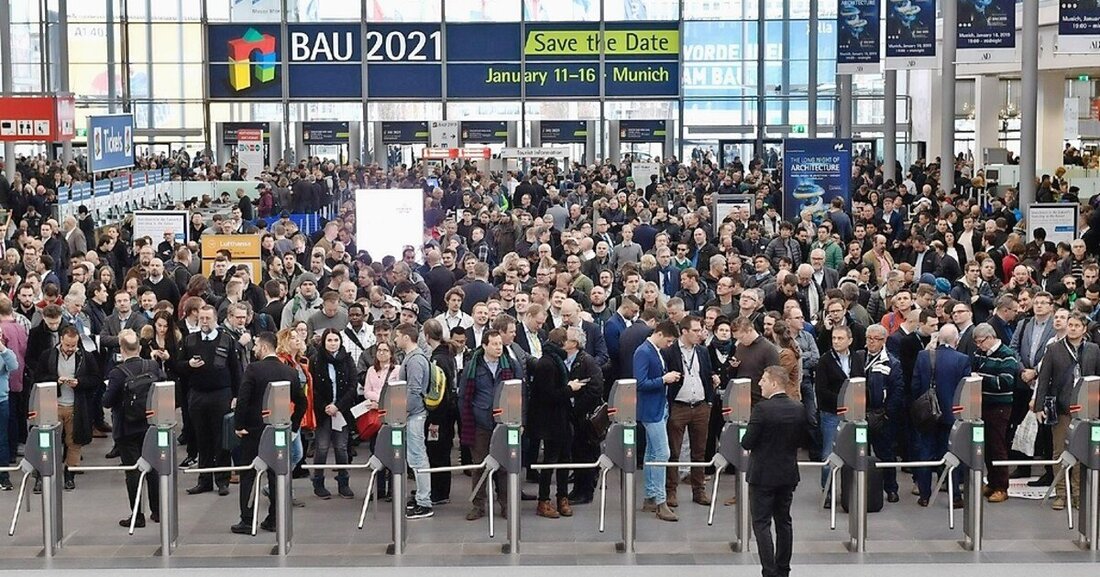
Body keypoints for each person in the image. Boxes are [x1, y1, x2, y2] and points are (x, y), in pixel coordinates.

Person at [231, 332, 304, 535]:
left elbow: (243, 399)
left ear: (263, 348)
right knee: (275, 473)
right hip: (278, 431)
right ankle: (274, 518)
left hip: (254, 431)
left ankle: (247, 519)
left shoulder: (253, 369)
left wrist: (239, 425)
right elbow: (302, 401)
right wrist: (293, 426)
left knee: (248, 475)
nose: (254, 350)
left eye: (255, 346)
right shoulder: (289, 372)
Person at [741, 366, 808, 577]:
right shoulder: (798, 408)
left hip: (762, 475)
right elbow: (804, 439)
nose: (760, 383)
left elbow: (747, 442)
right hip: (787, 473)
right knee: (784, 521)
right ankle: (783, 569)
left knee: (761, 524)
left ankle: (769, 571)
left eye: (763, 379)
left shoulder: (762, 409)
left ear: (774, 383)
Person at [1034, 311, 1100, 510]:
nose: (1072, 328)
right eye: (1070, 325)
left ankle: (1078, 493)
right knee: (1059, 451)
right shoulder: (1054, 349)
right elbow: (1044, 379)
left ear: (1084, 329)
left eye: (1076, 326)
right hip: (1061, 406)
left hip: (1087, 407)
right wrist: (1038, 406)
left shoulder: (1093, 349)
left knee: (1081, 451)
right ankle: (1061, 493)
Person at [178, 305, 243, 496]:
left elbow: (236, 369)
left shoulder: (226, 340)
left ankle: (222, 480)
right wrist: (188, 365)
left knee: (221, 438)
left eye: (208, 318)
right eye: (201, 319)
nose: (204, 322)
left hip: (221, 394)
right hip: (198, 395)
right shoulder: (190, 340)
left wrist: (236, 396)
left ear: (215, 319)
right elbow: (178, 366)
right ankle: (204, 480)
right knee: (202, 438)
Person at [102, 329, 164, 527]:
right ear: (139, 347)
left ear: (121, 349)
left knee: (133, 472)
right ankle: (158, 511)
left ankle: (137, 515)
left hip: (126, 428)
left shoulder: (117, 373)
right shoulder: (153, 366)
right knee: (153, 468)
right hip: (151, 425)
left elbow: (107, 401)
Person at [460, 330, 520, 521]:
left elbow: (520, 394)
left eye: (500, 344)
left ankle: (506, 504)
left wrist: (520, 421)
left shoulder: (510, 364)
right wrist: (466, 419)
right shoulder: (472, 367)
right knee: (480, 466)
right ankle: (478, 505)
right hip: (480, 423)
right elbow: (464, 397)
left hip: (504, 423)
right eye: (494, 344)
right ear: (484, 345)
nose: (498, 347)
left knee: (504, 466)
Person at [911, 324, 971, 507]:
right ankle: (955, 496)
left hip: (927, 414)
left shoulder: (923, 356)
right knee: (951, 455)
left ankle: (924, 495)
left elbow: (914, 385)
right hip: (951, 415)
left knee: (925, 453)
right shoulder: (962, 359)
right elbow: (965, 389)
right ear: (956, 340)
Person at [36, 325, 101, 491]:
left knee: (74, 442)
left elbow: (96, 379)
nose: (71, 349)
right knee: (48, 442)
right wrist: (55, 380)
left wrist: (79, 383)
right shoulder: (47, 355)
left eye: (74, 345)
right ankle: (42, 474)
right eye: (68, 345)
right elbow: (38, 378)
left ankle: (70, 473)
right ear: (60, 341)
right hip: (53, 405)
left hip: (76, 406)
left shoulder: (86, 357)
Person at [529, 327, 585, 518]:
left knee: (564, 460)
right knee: (550, 461)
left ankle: (562, 497)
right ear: (562, 343)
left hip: (561, 418)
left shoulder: (555, 360)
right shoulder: (547, 364)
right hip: (550, 420)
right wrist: (571, 388)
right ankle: (543, 500)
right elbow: (548, 395)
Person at [663, 315, 715, 507]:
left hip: (700, 405)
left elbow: (707, 374)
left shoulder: (702, 351)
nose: (700, 334)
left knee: (699, 451)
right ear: (684, 331)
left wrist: (709, 400)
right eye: (695, 330)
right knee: (673, 451)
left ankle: (699, 490)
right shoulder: (670, 351)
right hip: (679, 405)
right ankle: (671, 491)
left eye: (700, 330)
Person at [633, 319, 680, 522]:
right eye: (668, 341)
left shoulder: (652, 350)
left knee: (653, 452)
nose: (669, 345)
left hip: (658, 407)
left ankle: (651, 496)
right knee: (663, 452)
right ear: (659, 334)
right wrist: (664, 379)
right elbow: (640, 382)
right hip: (651, 410)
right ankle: (661, 501)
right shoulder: (643, 352)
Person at [971, 322, 1021, 503]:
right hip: (982, 405)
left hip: (999, 407)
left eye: (980, 341)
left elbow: (1005, 382)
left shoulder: (1007, 355)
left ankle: (1002, 486)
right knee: (986, 447)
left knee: (998, 446)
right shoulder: (980, 353)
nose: (978, 346)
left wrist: (981, 378)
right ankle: (991, 482)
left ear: (991, 338)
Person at [308, 328, 358, 500]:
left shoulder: (347, 359)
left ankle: (343, 483)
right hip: (323, 411)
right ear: (323, 342)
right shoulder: (315, 360)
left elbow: (353, 385)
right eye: (329, 340)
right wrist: (325, 406)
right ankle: (318, 483)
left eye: (335, 340)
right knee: (321, 447)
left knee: (341, 447)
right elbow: (312, 387)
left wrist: (338, 406)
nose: (333, 343)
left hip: (341, 411)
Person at [395, 322, 434, 519]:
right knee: (415, 457)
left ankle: (424, 501)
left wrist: (403, 411)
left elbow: (414, 389)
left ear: (405, 337)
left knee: (418, 457)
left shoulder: (415, 360)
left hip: (415, 415)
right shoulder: (415, 358)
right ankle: (421, 496)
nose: (395, 339)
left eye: (397, 336)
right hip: (414, 413)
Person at [0, 327, 19, 491]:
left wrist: (3, 349)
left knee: (2, 440)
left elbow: (14, 366)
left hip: (1, 401)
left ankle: (4, 477)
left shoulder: (5, 353)